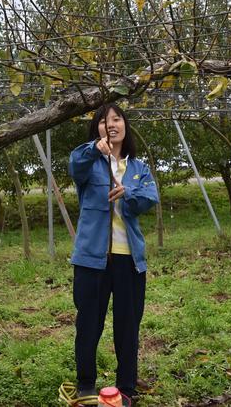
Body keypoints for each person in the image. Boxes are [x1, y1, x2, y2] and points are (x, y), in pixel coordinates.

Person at [69, 104, 159, 401]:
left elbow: (149, 198)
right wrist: (95, 149)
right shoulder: (89, 162)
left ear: (125, 125)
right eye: (104, 121)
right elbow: (75, 164)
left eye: (117, 119)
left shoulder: (138, 168)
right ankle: (85, 385)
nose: (112, 124)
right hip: (92, 259)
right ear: (97, 128)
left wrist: (127, 193)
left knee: (127, 326)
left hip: (128, 259)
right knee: (88, 324)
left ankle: (126, 388)